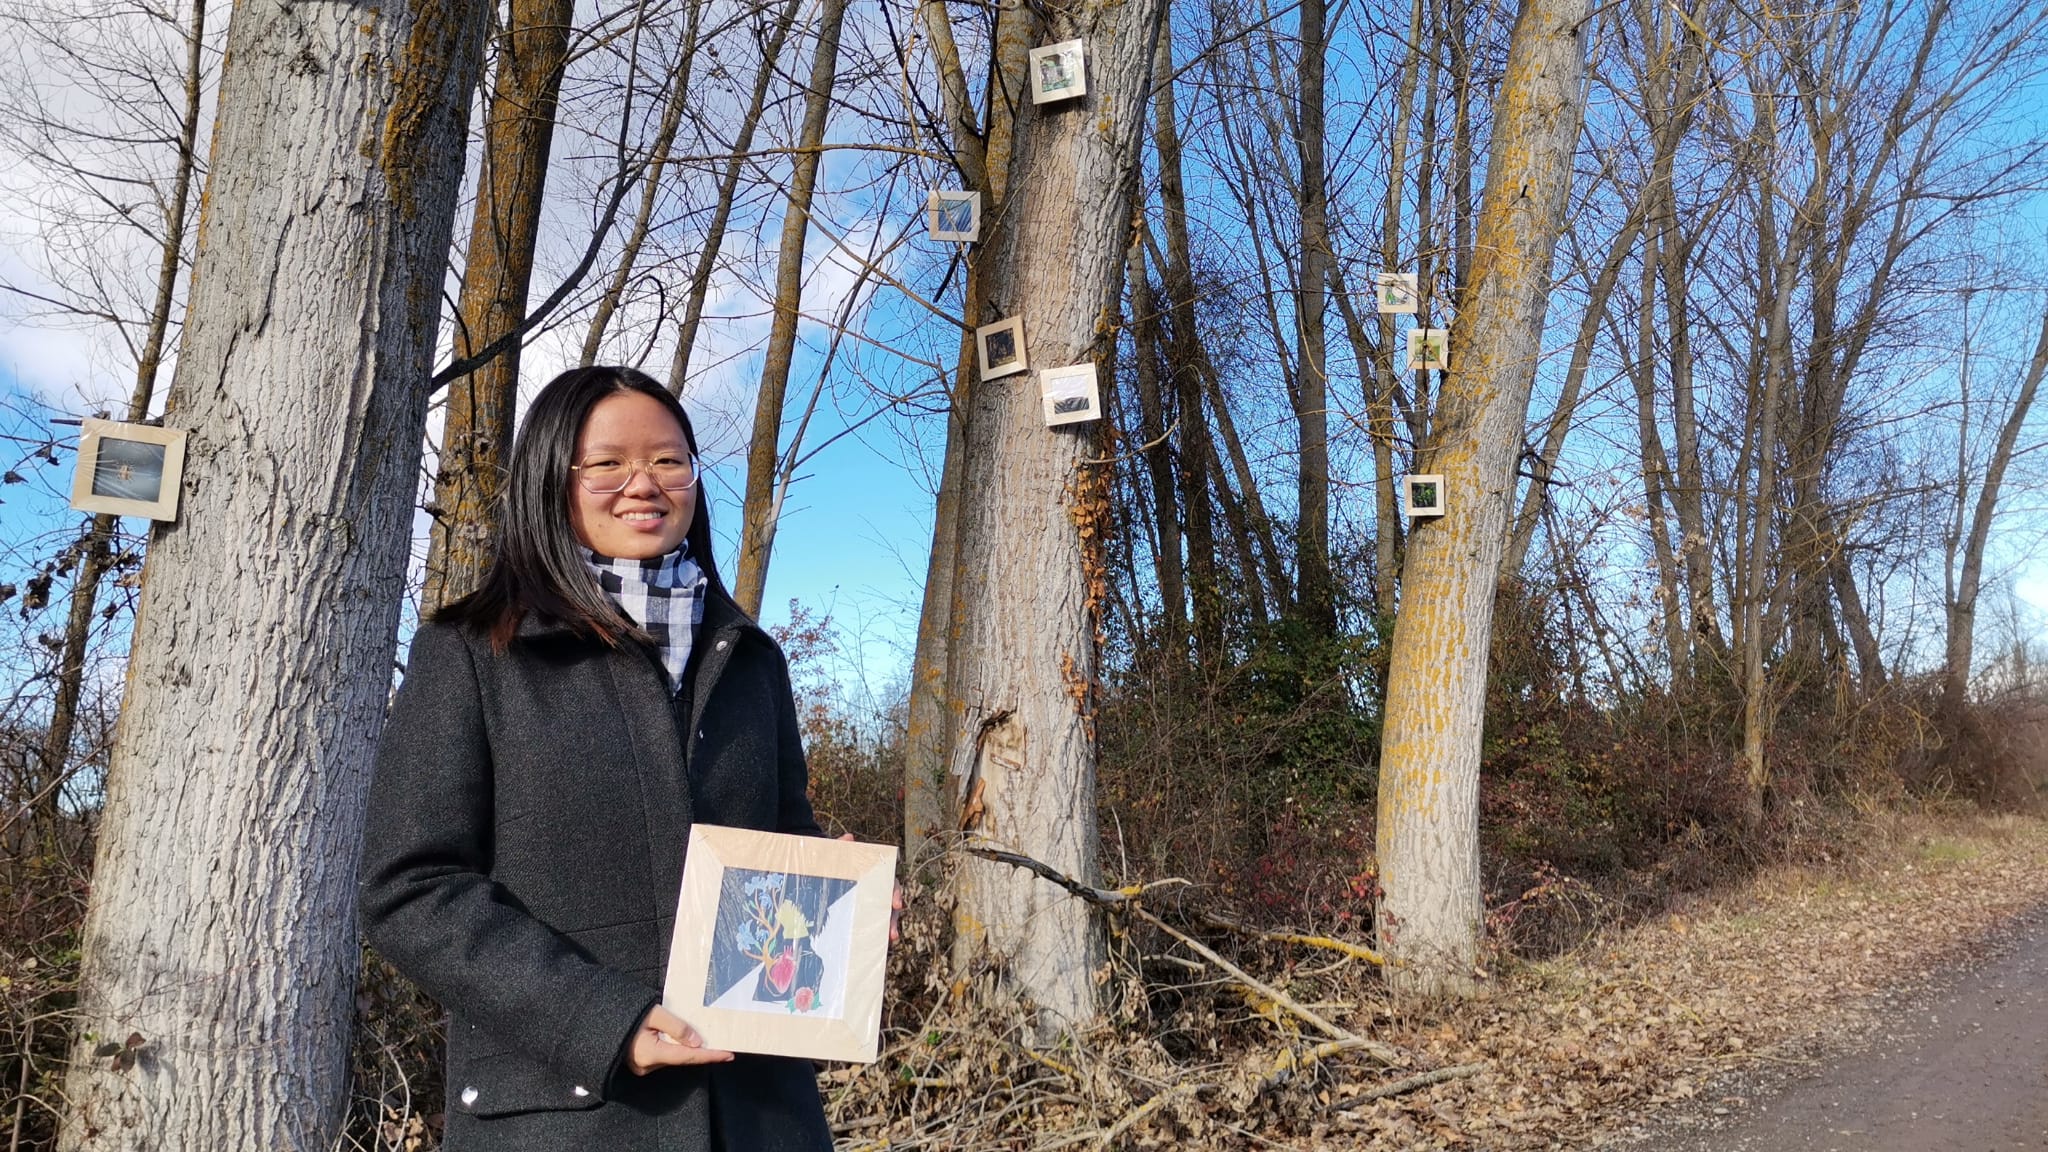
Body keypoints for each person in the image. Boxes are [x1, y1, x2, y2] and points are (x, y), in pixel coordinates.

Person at [359, 365, 866, 1150]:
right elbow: (412, 889)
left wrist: (839, 904)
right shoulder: (473, 653)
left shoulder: (749, 660)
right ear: (550, 480)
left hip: (757, 1116)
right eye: (607, 464)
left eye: (669, 461)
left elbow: (776, 856)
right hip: (567, 1116)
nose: (645, 484)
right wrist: (605, 1023)